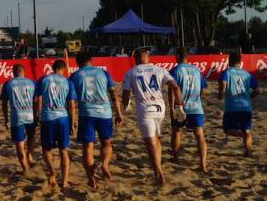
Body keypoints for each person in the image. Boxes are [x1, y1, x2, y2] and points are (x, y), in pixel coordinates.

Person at [121, 48, 182, 187]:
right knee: (156, 139)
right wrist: (180, 106)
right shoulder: (159, 69)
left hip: (145, 108)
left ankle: (158, 174)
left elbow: (125, 94)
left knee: (150, 143)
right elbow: (176, 87)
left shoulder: (130, 72)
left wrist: (126, 104)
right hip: (160, 107)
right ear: (147, 57)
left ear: (135, 59)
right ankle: (158, 168)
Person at [70, 51, 123, 189]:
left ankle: (91, 179)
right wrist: (118, 113)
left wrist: (72, 120)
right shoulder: (103, 73)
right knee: (106, 142)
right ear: (91, 60)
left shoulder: (75, 76)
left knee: (87, 147)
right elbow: (113, 94)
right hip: (104, 112)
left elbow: (71, 101)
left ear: (77, 62)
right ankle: (104, 164)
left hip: (86, 113)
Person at [34, 60, 77, 190]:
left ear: (53, 68)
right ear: (63, 69)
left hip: (47, 118)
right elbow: (71, 105)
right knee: (63, 150)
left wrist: (36, 115)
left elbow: (36, 99)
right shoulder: (68, 81)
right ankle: (64, 181)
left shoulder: (43, 79)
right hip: (62, 118)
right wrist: (72, 123)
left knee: (47, 149)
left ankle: (51, 171)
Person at [169, 49, 209, 172]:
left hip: (180, 107)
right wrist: (197, 99)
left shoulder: (175, 70)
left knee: (177, 131)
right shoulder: (197, 70)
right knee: (199, 135)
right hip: (196, 107)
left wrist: (171, 108)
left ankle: (175, 157)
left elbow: (171, 90)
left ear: (177, 56)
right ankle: (202, 163)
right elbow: (203, 89)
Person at [218, 53, 259, 156]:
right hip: (246, 107)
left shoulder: (226, 72)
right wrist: (249, 96)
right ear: (240, 62)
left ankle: (243, 136)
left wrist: (220, 94)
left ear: (229, 61)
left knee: (227, 130)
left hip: (232, 107)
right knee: (246, 130)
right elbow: (257, 91)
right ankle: (249, 152)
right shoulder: (247, 74)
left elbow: (223, 85)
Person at [0, 64, 36, 173]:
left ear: (13, 72)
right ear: (24, 72)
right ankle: (30, 155)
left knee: (20, 144)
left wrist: (6, 118)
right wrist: (36, 114)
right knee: (31, 137)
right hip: (30, 114)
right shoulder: (32, 83)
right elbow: (36, 100)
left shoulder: (8, 84)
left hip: (17, 116)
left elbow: (4, 103)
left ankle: (26, 169)